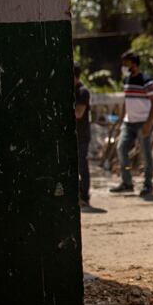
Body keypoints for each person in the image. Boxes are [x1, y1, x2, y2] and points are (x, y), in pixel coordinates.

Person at [110, 51, 153, 197]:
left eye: (126, 63)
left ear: (134, 64)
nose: (123, 66)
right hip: (128, 122)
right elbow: (127, 100)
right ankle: (127, 182)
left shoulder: (146, 81)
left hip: (143, 122)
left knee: (146, 155)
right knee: (121, 149)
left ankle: (148, 185)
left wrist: (148, 123)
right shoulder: (127, 80)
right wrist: (122, 118)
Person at [73, 63, 92, 208]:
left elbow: (78, 113)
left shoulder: (82, 92)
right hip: (76, 135)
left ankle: (84, 196)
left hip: (82, 135)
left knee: (82, 166)